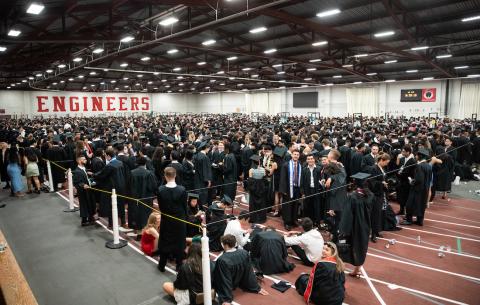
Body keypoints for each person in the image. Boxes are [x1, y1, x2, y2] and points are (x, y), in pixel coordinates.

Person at [213, 234, 269, 305]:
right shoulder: (244, 253)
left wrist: (226, 299)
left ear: (225, 245)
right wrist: (256, 287)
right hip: (239, 280)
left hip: (231, 283)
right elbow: (249, 272)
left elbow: (224, 279)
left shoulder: (222, 260)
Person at [339, 172, 374, 277]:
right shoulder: (370, 195)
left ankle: (340, 271)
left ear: (355, 183)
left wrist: (343, 230)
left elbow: (347, 214)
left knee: (344, 247)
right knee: (361, 247)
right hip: (365, 226)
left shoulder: (352, 197)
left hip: (353, 227)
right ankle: (357, 270)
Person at [157, 167, 188, 272]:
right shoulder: (182, 190)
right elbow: (184, 207)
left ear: (165, 176)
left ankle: (162, 265)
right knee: (179, 243)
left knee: (165, 242)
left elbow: (161, 207)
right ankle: (179, 265)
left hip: (166, 220)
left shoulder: (160, 190)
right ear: (175, 176)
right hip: (179, 221)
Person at [93, 148, 130, 229]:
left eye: (105, 155)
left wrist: (93, 175)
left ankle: (111, 223)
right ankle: (123, 222)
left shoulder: (110, 165)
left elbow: (102, 175)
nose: (105, 157)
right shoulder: (120, 163)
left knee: (111, 206)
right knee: (121, 205)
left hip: (112, 188)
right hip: (122, 187)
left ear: (108, 156)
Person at [401, 149, 433, 226]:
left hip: (417, 189)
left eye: (417, 155)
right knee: (421, 204)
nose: (416, 156)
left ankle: (409, 220)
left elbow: (419, 179)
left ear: (420, 156)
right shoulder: (428, 166)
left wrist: (411, 181)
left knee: (410, 204)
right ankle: (420, 220)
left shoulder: (419, 166)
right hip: (425, 188)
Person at [130, 156, 158, 235]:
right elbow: (153, 187)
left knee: (136, 214)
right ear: (145, 163)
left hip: (135, 198)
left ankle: (138, 232)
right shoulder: (149, 173)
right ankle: (145, 232)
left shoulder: (132, 172)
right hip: (146, 198)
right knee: (146, 215)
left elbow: (129, 186)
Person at [367, 153, 391, 242]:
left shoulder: (382, 168)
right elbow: (371, 182)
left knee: (379, 214)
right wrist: (381, 183)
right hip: (375, 195)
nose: (387, 164)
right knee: (374, 214)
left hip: (381, 194)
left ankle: (376, 231)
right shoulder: (373, 168)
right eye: (386, 162)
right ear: (381, 160)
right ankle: (373, 234)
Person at [279, 149, 302, 231]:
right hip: (288, 188)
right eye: (294, 154)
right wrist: (283, 190)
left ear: (299, 156)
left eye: (297, 154)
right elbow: (282, 178)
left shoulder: (300, 164)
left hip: (296, 188)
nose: (296, 156)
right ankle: (287, 222)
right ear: (291, 155)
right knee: (287, 205)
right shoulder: (286, 165)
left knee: (295, 204)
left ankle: (293, 220)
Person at [72, 155, 96, 226]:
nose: (86, 160)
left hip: (88, 189)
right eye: (84, 159)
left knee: (90, 203)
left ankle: (91, 218)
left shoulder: (84, 168)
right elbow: (76, 182)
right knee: (84, 205)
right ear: (79, 161)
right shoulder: (77, 171)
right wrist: (83, 185)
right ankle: (84, 221)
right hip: (83, 191)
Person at [301, 154, 321, 225]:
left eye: (311, 159)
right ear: (306, 160)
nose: (310, 160)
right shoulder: (304, 170)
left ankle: (316, 222)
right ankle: (308, 222)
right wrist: (303, 193)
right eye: (308, 159)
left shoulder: (319, 168)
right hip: (307, 190)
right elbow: (302, 182)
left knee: (316, 206)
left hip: (316, 190)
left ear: (314, 159)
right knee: (308, 206)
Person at [395, 145, 416, 215]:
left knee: (406, 197)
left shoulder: (413, 161)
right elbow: (399, 168)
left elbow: (412, 173)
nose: (402, 153)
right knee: (400, 197)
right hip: (400, 181)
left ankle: (407, 212)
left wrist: (402, 174)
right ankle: (401, 210)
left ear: (408, 152)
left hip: (407, 183)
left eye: (404, 152)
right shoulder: (402, 159)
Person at [247, 154, 267, 224]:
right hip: (261, 188)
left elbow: (250, 180)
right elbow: (264, 180)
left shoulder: (251, 170)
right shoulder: (263, 170)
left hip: (254, 189)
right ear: (259, 162)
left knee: (253, 204)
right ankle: (261, 218)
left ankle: (253, 218)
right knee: (262, 203)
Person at [193, 142, 212, 207]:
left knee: (197, 191)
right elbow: (206, 170)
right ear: (206, 148)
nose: (209, 150)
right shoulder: (205, 157)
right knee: (203, 193)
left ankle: (196, 205)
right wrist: (208, 180)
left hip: (196, 177)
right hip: (202, 179)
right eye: (209, 148)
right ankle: (201, 206)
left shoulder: (196, 155)